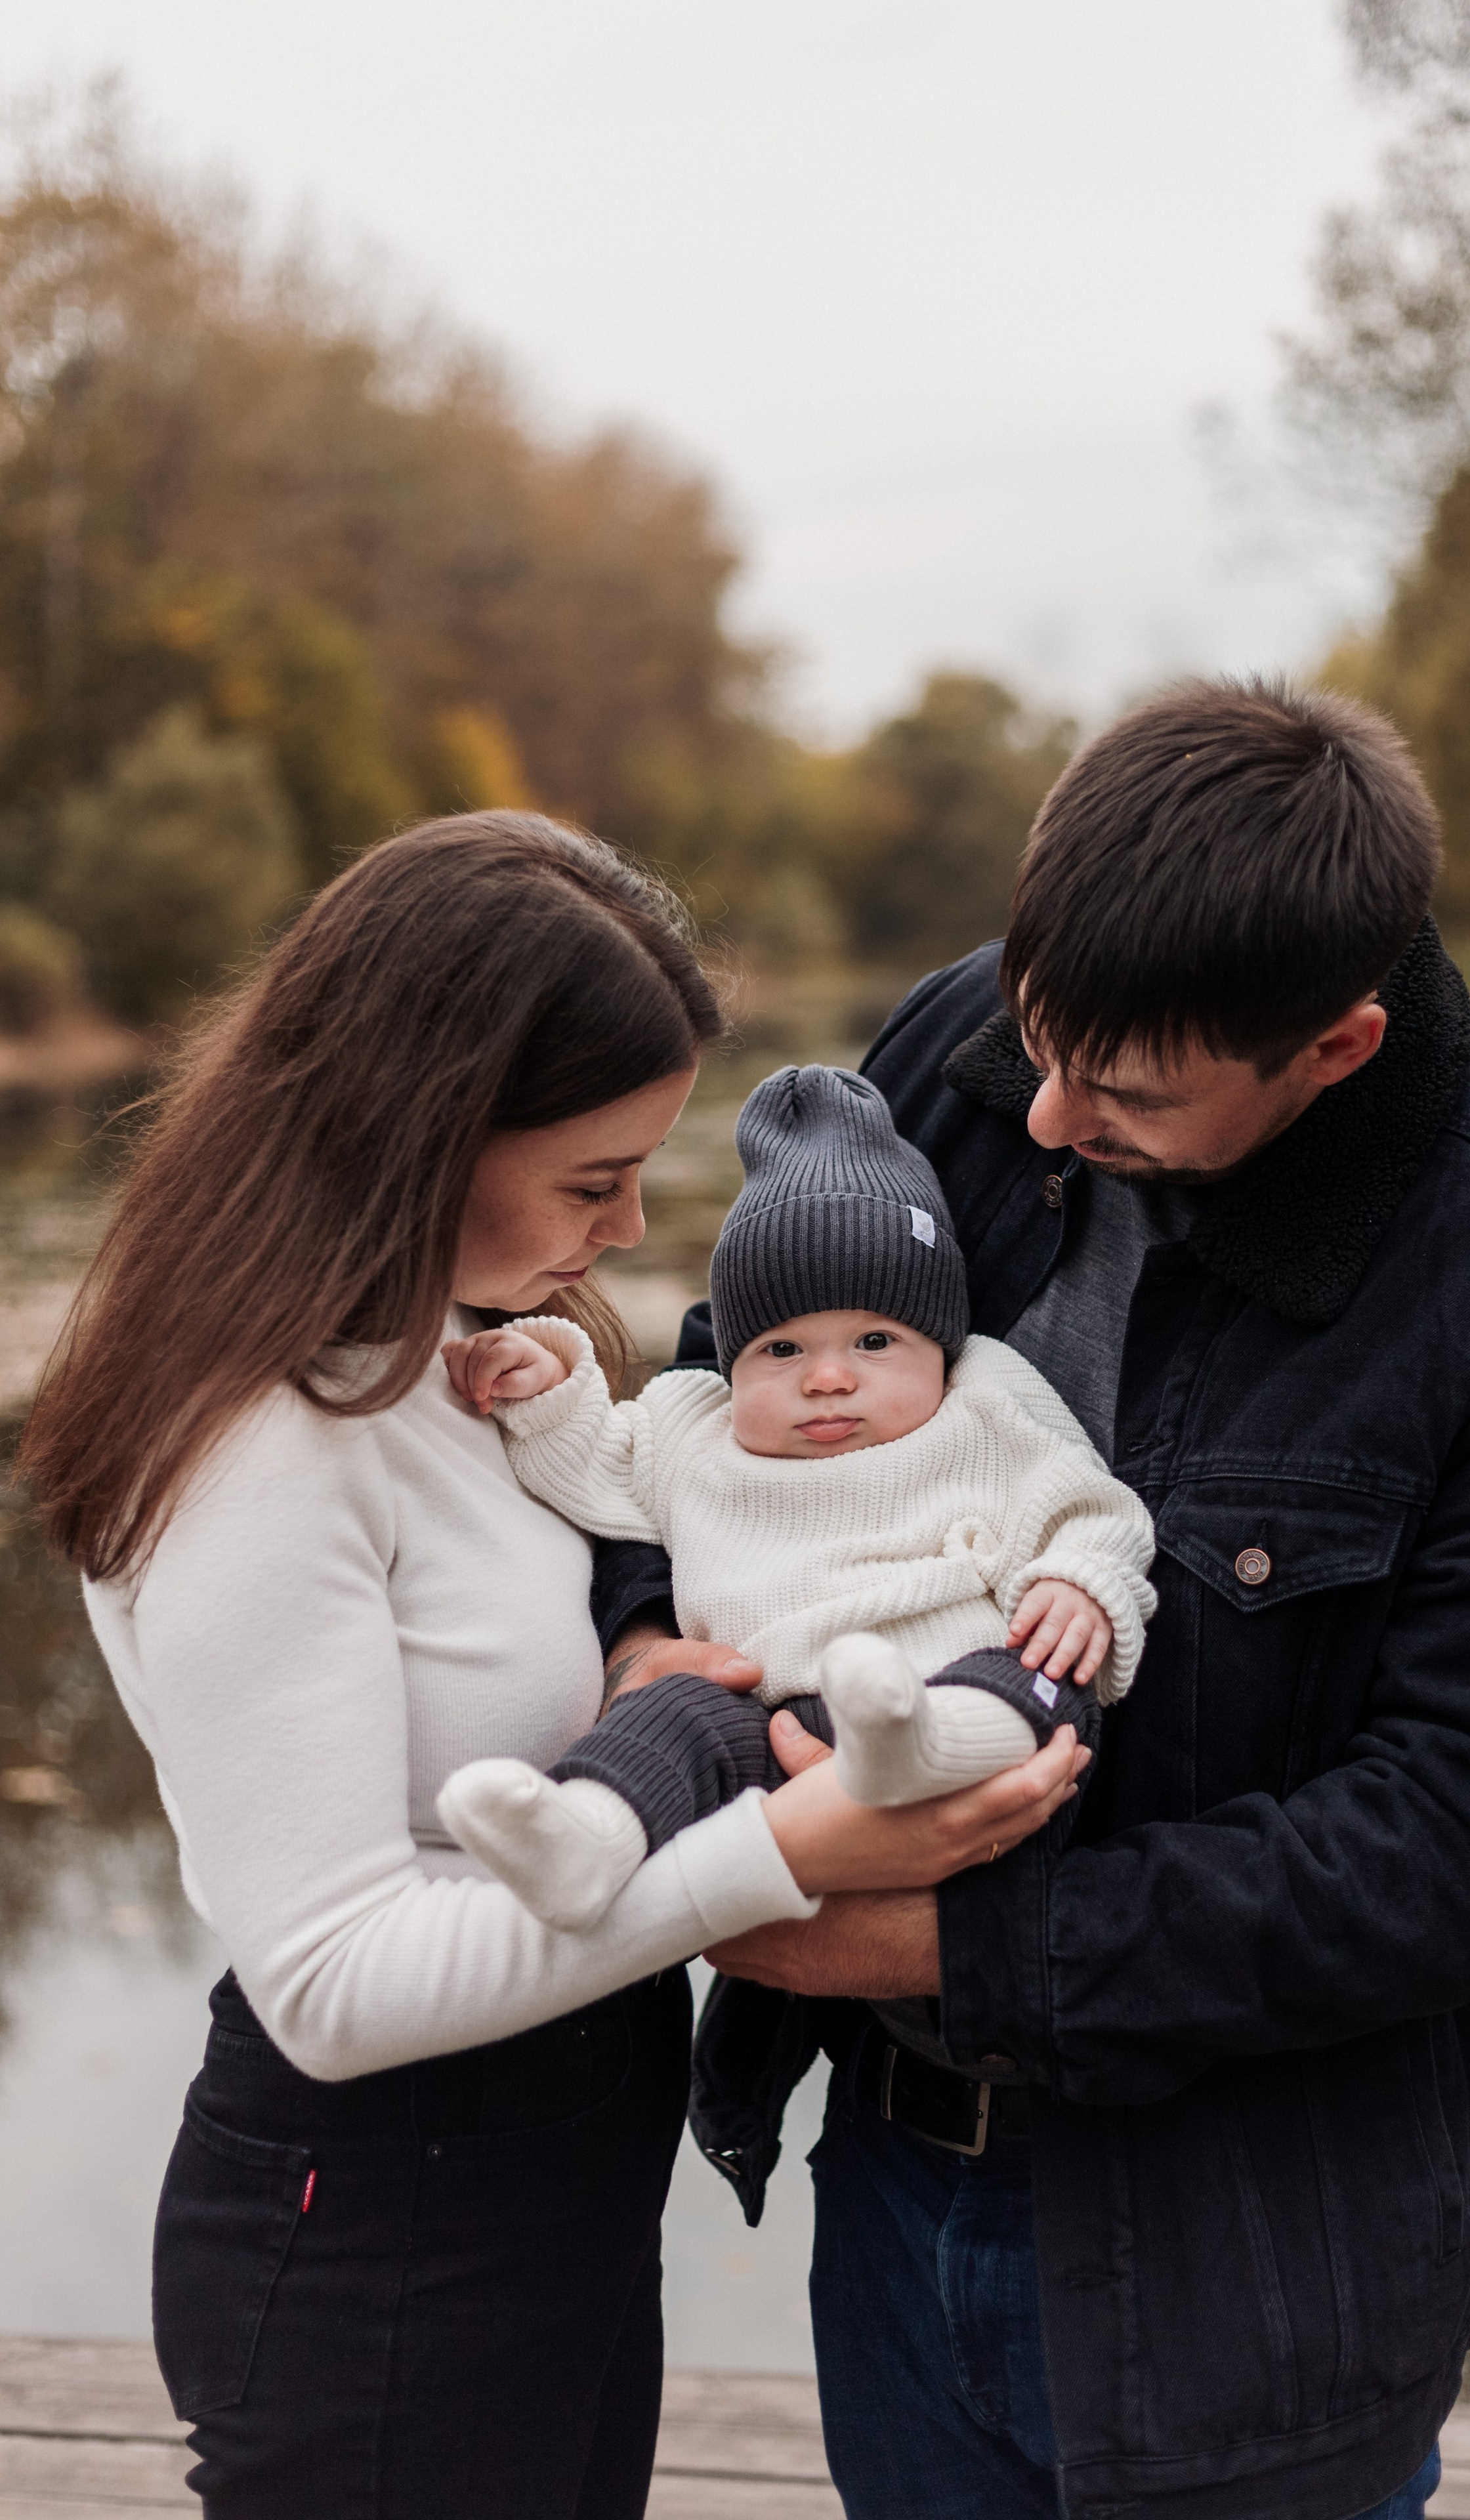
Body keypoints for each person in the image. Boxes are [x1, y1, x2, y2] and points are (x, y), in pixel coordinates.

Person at [595, 682, 1470, 2520]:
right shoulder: (971, 1039)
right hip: (900, 2186)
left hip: (1267, 2266)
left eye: (1128, 1090)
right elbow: (720, 1376)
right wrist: (648, 1638)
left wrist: (930, 1945)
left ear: (1333, 1048)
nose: (1039, 1106)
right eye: (1038, 1030)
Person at [18, 813, 1083, 2520]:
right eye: (596, 1179)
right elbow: (336, 1987)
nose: (634, 1222)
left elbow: (581, 1575)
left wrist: (658, 1633)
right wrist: (787, 1856)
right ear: (420, 1133)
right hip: (382, 2228)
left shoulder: (451, 1359)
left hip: (560, 2170)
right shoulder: (254, 1448)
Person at [434, 1062, 1156, 1931]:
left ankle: (916, 1745)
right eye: (779, 1351)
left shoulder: (982, 1404)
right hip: (770, 1724)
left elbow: (1090, 1505)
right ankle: (586, 1837)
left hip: (960, 1686)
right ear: (732, 1362)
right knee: (673, 1720)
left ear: (941, 1345)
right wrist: (545, 1384)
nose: (826, 1378)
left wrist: (1080, 1582)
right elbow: (590, 1464)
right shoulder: (692, 1427)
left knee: (1043, 1685)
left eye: (875, 1340)